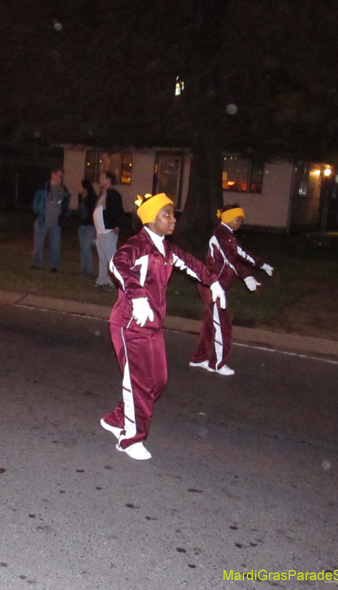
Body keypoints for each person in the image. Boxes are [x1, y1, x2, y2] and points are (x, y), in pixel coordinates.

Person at [100, 193, 225, 461]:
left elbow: (190, 263)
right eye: (166, 214)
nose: (173, 219)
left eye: (173, 213)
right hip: (130, 324)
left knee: (158, 382)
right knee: (141, 384)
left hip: (152, 326)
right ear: (150, 219)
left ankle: (116, 419)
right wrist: (138, 295)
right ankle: (130, 439)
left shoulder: (165, 248)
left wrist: (212, 281)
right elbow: (116, 263)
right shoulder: (138, 245)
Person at [189, 204, 273, 376]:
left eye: (242, 219)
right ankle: (217, 364)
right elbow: (232, 260)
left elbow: (240, 253)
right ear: (228, 218)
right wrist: (247, 276)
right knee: (224, 325)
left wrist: (261, 264)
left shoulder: (227, 234)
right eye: (238, 219)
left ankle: (199, 358)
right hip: (213, 286)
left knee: (212, 323)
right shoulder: (222, 235)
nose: (240, 222)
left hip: (213, 285)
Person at [31, 166, 70, 272]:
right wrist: (38, 213)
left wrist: (64, 217)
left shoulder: (63, 190)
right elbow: (36, 201)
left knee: (55, 244)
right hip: (43, 220)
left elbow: (66, 205)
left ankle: (54, 266)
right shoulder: (43, 187)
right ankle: (36, 263)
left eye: (62, 176)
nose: (61, 178)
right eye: (59, 175)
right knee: (38, 243)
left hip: (56, 222)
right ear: (53, 175)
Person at [93, 170, 125, 289]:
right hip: (100, 232)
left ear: (109, 180)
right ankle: (102, 279)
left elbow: (118, 211)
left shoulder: (113, 194)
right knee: (102, 257)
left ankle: (114, 281)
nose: (100, 181)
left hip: (108, 231)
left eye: (102, 178)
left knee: (111, 257)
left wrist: (117, 226)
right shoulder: (103, 194)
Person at [77, 179, 98, 277]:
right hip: (82, 226)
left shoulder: (92, 199)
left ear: (85, 188)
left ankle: (89, 271)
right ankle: (83, 270)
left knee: (87, 247)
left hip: (90, 226)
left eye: (80, 186)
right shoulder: (80, 198)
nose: (78, 188)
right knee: (83, 248)